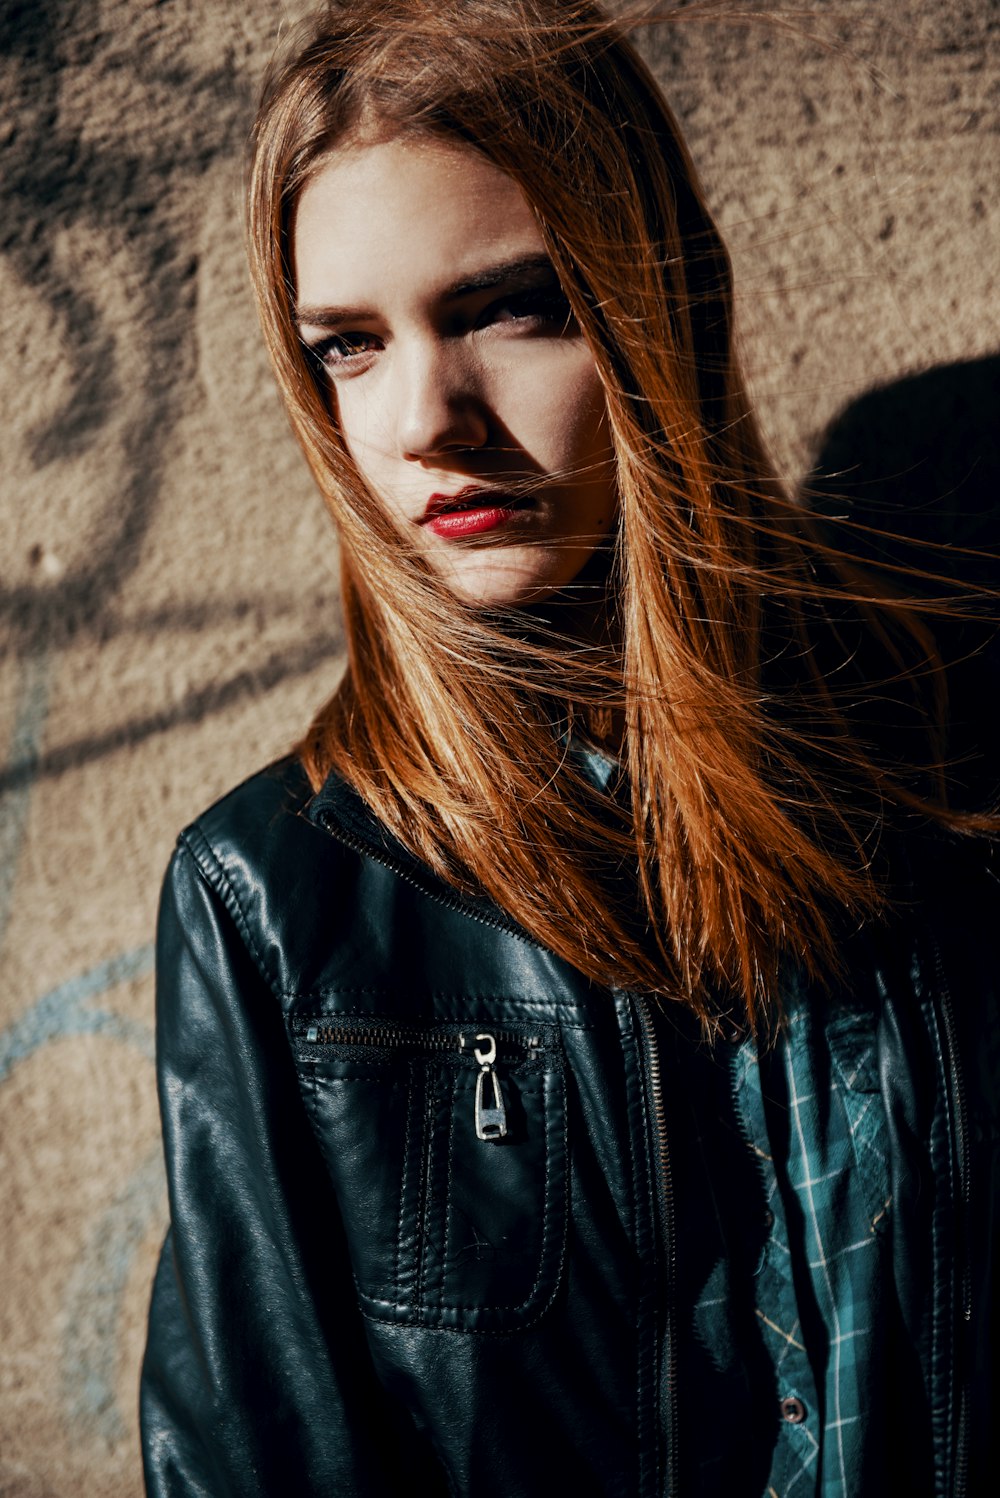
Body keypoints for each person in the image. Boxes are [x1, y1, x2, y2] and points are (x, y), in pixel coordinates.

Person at [139, 2, 999, 1494]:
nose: (425, 419)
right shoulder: (277, 896)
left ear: (659, 301)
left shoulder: (940, 761)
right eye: (348, 345)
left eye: (508, 308)